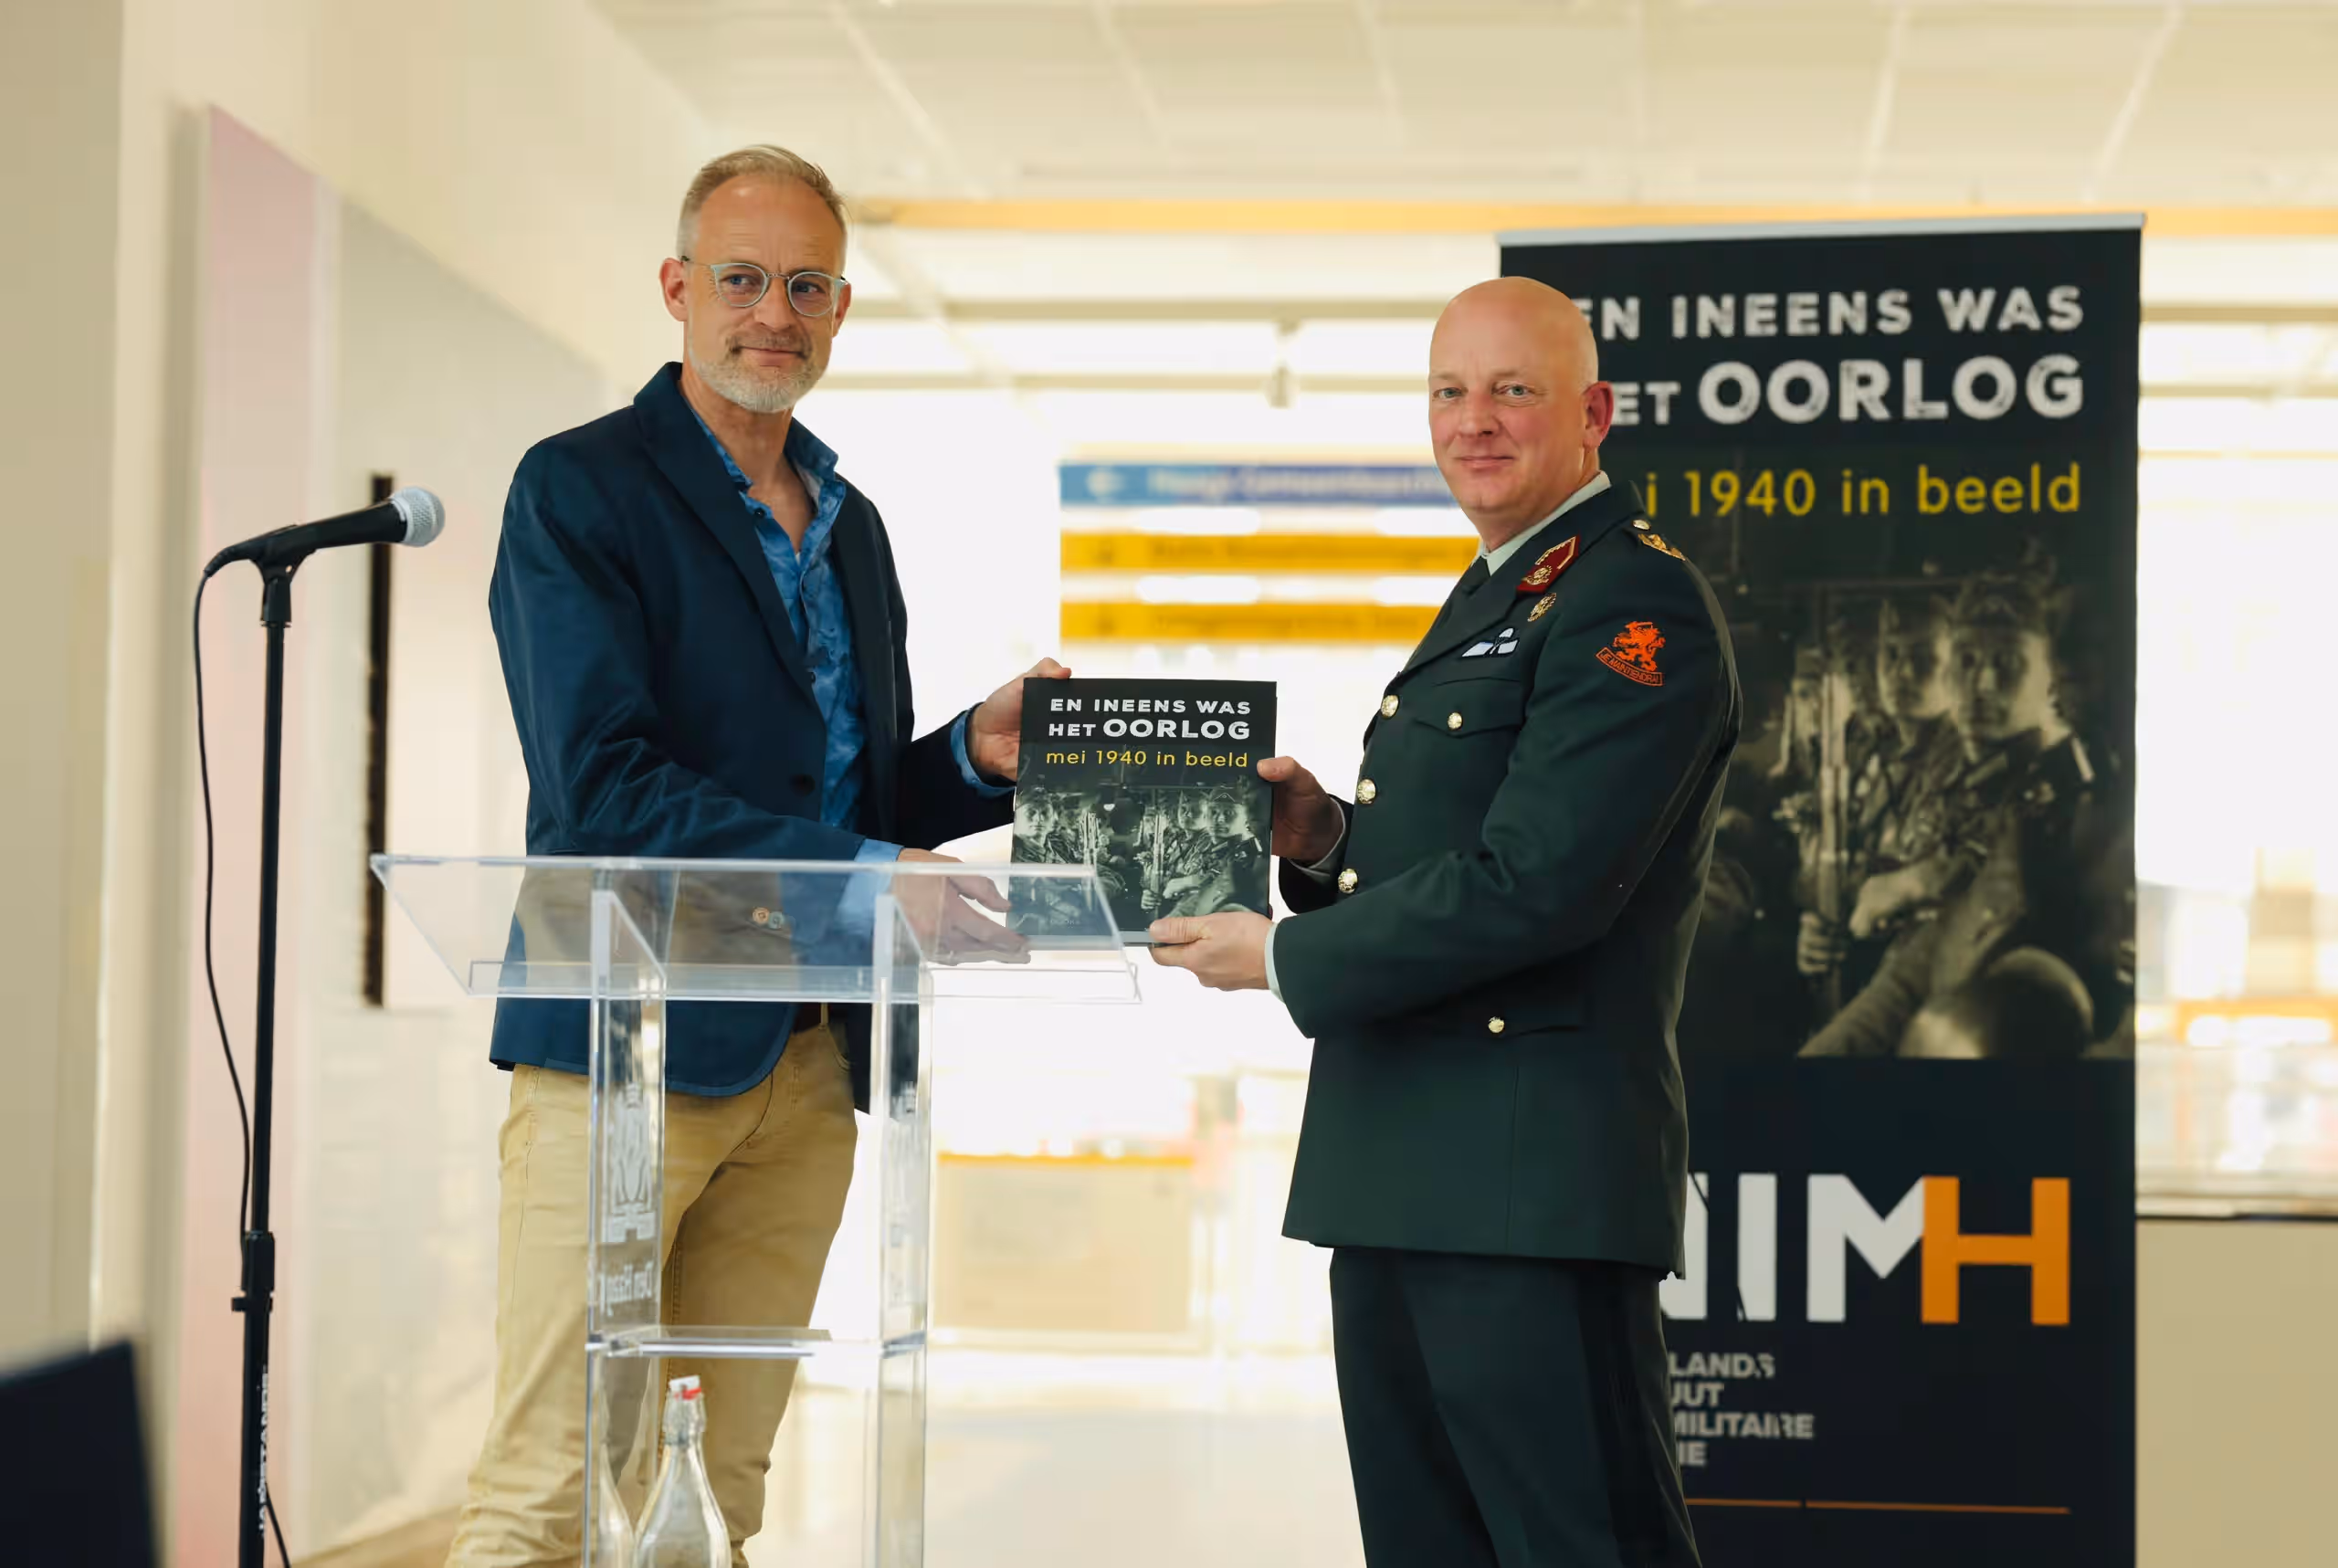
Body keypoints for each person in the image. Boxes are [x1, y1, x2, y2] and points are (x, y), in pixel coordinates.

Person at [457, 144, 1063, 1566]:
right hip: (629, 1052)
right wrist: (866, 879)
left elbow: (839, 789)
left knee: (719, 1493)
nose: (772, 313)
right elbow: (603, 787)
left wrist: (969, 754)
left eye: (806, 286)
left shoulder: (856, 530)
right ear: (678, 289)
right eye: (741, 280)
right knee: (550, 1488)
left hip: (808, 1065)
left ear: (842, 309)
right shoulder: (580, 492)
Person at [1151, 278, 1739, 1568]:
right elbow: (1456, 853)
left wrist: (1286, 955)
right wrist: (1322, 847)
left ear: (1595, 413)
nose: (1473, 420)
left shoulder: (1632, 608)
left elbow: (1544, 882)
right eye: (1448, 391)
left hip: (1525, 1195)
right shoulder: (1500, 590)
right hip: (1401, 1177)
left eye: (1511, 390)